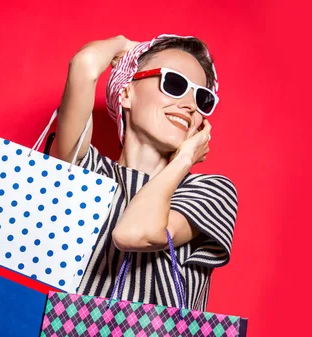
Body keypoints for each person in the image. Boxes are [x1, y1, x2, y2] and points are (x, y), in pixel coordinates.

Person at [51, 34, 237, 310]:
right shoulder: (86, 171)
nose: (189, 104)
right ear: (126, 93)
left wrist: (184, 159)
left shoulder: (211, 192)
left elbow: (134, 233)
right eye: (174, 83)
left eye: (202, 97)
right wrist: (125, 46)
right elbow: (84, 64)